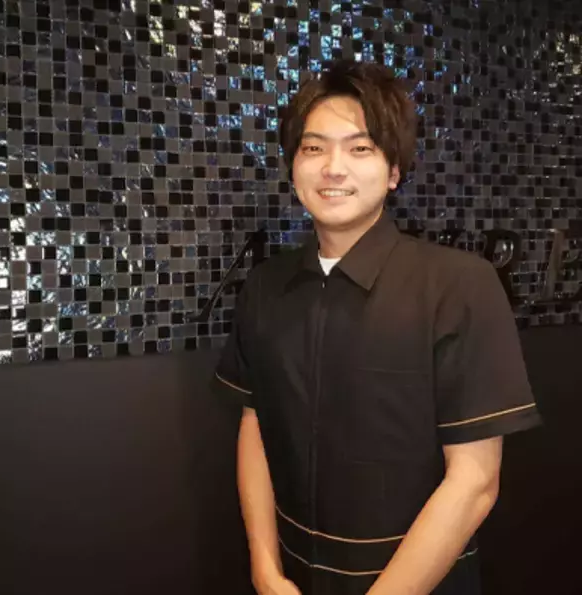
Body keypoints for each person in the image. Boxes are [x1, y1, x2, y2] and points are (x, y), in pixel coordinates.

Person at [213, 60, 541, 595]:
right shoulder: (266, 287)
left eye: (360, 148)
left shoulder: (458, 285)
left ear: (393, 171)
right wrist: (265, 568)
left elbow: (475, 481)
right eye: (313, 148)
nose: (333, 168)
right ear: (293, 165)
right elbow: (255, 424)